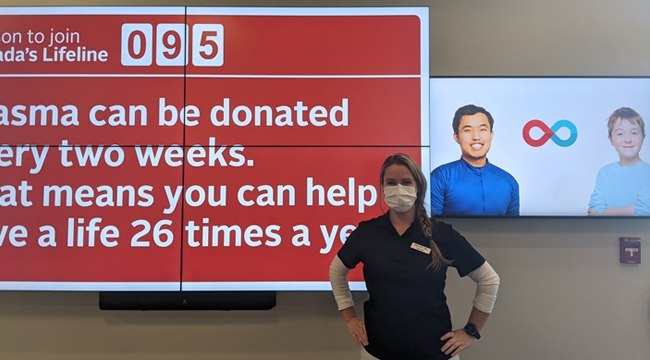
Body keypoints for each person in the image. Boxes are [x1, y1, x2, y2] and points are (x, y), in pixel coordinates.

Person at [329, 153, 500, 360]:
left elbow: (489, 279)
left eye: (406, 182)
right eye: (391, 182)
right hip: (378, 352)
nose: (399, 188)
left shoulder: (442, 234)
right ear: (382, 187)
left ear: (418, 187)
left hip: (436, 352)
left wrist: (471, 331)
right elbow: (337, 271)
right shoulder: (367, 233)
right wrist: (349, 318)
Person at [430, 104, 519, 216]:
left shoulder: (509, 182)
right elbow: (430, 226)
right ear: (456, 137)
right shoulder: (440, 177)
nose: (476, 136)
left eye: (482, 129)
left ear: (491, 135)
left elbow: (514, 230)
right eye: (467, 130)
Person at [588, 107, 650, 216]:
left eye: (634, 133)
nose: (628, 139)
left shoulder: (647, 172)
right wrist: (632, 209)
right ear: (611, 139)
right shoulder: (604, 173)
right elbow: (594, 210)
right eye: (620, 134)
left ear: (643, 137)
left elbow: (644, 211)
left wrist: (603, 213)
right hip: (606, 232)